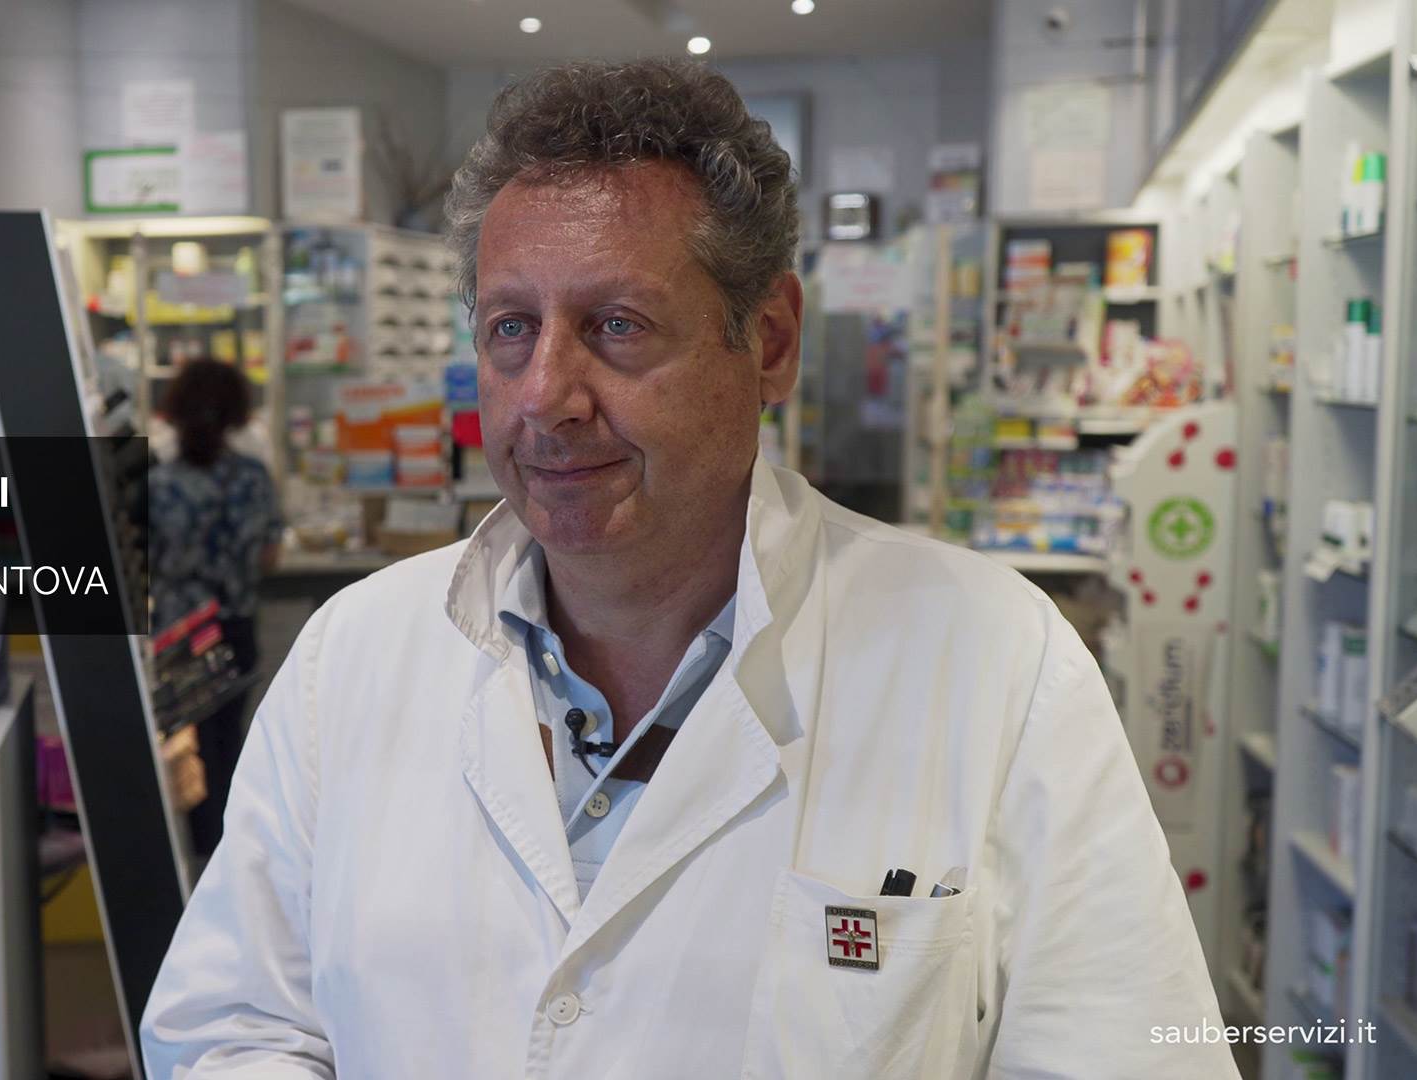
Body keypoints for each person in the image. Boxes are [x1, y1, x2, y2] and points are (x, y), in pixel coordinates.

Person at [141, 59, 1236, 1078]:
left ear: (770, 342)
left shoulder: (998, 661)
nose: (545, 395)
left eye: (617, 325)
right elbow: (234, 1023)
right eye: (511, 328)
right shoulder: (352, 656)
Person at [148, 358, 283, 855]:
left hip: (178, 633)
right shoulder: (253, 477)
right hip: (233, 627)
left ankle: (190, 856)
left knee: (184, 750)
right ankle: (230, 854)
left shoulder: (158, 483)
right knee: (229, 743)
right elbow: (269, 556)